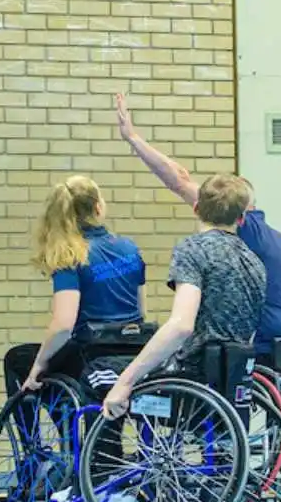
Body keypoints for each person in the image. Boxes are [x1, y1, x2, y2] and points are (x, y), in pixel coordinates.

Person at [114, 94, 281, 355]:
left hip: (265, 345)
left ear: (241, 210)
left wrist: (134, 139)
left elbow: (179, 180)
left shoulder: (245, 225)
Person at [100, 174, 268, 419]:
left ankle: (106, 456)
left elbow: (181, 326)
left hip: (190, 380)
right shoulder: (255, 262)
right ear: (241, 219)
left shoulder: (193, 249)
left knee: (99, 374)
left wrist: (124, 383)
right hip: (232, 380)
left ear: (196, 208)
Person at [8, 175, 149, 394]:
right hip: (134, 349)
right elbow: (141, 310)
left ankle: (51, 428)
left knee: (18, 360)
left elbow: (64, 325)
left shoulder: (71, 257)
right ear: (98, 207)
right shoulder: (130, 248)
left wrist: (39, 364)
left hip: (91, 352)